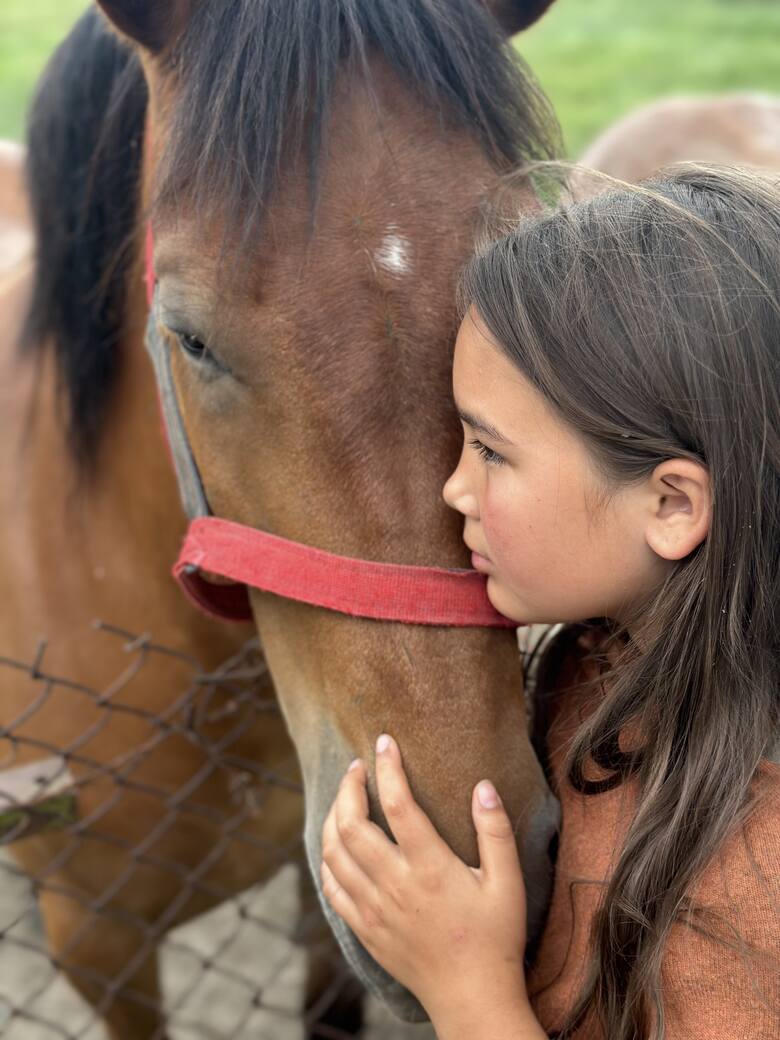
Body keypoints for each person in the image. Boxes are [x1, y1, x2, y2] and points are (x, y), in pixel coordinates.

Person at [319, 163, 780, 1040]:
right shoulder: (594, 659)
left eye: (490, 452)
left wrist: (468, 992)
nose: (453, 490)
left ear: (673, 506)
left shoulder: (760, 902)